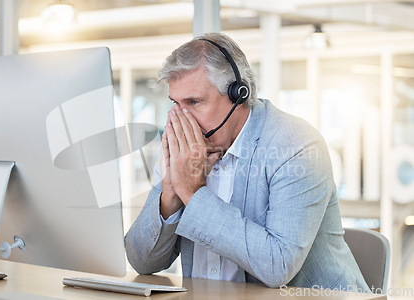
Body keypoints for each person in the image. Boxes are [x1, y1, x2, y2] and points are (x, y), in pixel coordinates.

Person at [124, 32, 369, 291]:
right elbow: (142, 261)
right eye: (176, 103)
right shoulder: (182, 152)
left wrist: (192, 193)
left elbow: (277, 266)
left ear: (238, 94)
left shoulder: (296, 144)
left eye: (194, 102)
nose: (181, 119)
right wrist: (170, 196)